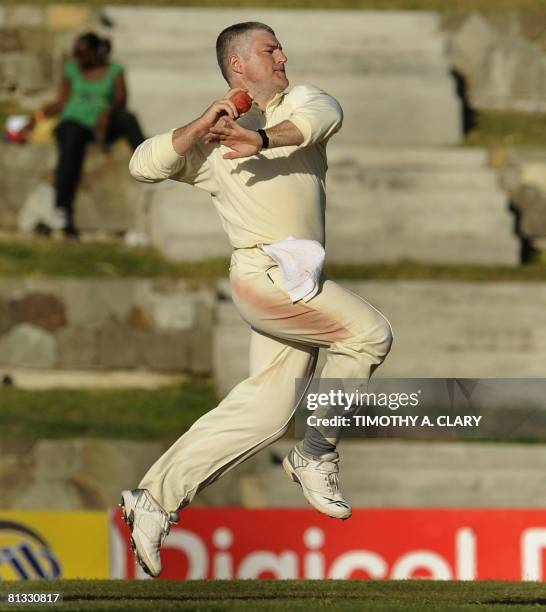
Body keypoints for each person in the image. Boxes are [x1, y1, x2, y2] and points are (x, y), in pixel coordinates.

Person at [121, 21, 393, 577]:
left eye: (280, 46)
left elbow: (323, 118)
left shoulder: (302, 103)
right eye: (270, 50)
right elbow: (143, 165)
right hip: (265, 275)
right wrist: (200, 126)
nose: (283, 55)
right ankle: (314, 453)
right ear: (239, 65)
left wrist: (263, 139)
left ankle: (153, 501)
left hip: (301, 276)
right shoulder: (217, 139)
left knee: (266, 410)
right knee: (369, 333)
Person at [29, 32, 145, 238]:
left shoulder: (114, 70)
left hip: (103, 122)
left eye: (82, 53)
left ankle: (151, 161)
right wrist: (35, 118)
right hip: (75, 124)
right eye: (76, 53)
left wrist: (108, 113)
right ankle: (62, 211)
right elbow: (61, 102)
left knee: (128, 118)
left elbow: (121, 100)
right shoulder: (71, 70)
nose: (78, 57)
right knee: (69, 149)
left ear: (95, 52)